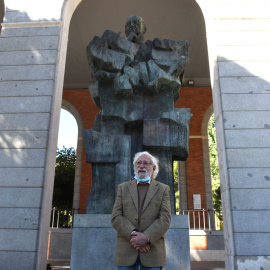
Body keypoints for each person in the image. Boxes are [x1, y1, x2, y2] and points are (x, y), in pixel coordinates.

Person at [111, 151, 171, 270]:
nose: (141, 166)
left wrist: (146, 237)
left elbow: (165, 218)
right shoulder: (123, 188)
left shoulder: (163, 189)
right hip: (126, 250)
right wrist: (134, 235)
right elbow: (116, 216)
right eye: (139, 163)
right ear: (135, 166)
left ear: (153, 168)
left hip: (152, 250)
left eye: (145, 163)